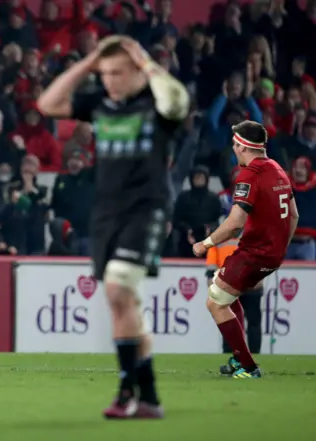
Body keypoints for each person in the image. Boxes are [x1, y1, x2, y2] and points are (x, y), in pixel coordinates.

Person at [37, 35, 190, 419]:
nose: (110, 81)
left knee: (120, 289)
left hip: (147, 208)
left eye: (118, 72)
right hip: (106, 214)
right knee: (127, 302)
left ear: (139, 70)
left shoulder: (155, 103)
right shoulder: (100, 104)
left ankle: (126, 391)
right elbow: (47, 104)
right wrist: (87, 64)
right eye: (105, 74)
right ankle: (150, 398)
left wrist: (147, 62)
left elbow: (178, 102)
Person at [193, 120, 298, 379]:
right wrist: (279, 247)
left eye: (234, 145)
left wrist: (205, 244)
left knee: (215, 303)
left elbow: (235, 224)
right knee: (224, 289)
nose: (233, 149)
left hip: (255, 252)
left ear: (242, 146)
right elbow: (294, 215)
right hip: (273, 253)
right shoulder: (278, 170)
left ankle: (248, 367)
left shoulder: (250, 174)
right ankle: (239, 357)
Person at [205, 229, 263, 374]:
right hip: (247, 283)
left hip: (230, 285)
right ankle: (247, 357)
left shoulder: (219, 236)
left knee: (228, 319)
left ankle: (239, 358)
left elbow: (210, 268)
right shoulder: (253, 233)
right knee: (251, 321)